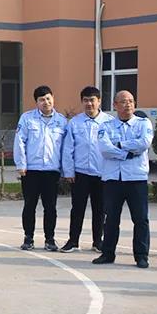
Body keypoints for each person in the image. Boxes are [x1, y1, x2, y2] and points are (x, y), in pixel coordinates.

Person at [92, 91, 152, 268]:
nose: (128, 105)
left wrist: (119, 145)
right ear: (115, 105)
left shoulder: (143, 123)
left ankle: (141, 256)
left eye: (131, 101)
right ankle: (107, 253)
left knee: (140, 219)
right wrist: (127, 153)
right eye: (124, 102)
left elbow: (144, 143)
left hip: (136, 178)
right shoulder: (106, 126)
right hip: (113, 178)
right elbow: (105, 149)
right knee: (111, 218)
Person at [14, 85, 67, 252]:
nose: (46, 102)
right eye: (41, 100)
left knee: (50, 207)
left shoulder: (61, 121)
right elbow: (20, 142)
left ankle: (49, 239)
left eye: (48, 98)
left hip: (52, 170)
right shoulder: (27, 119)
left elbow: (65, 148)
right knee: (29, 205)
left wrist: (65, 170)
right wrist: (21, 164)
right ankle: (28, 238)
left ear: (53, 98)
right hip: (31, 170)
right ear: (36, 102)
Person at [59, 86, 111, 253]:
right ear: (82, 102)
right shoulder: (75, 123)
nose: (89, 104)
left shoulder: (109, 122)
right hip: (80, 173)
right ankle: (73, 241)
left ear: (99, 101)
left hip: (102, 173)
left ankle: (98, 241)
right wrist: (69, 171)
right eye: (86, 100)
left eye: (92, 100)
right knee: (77, 208)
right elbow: (68, 148)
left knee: (100, 209)